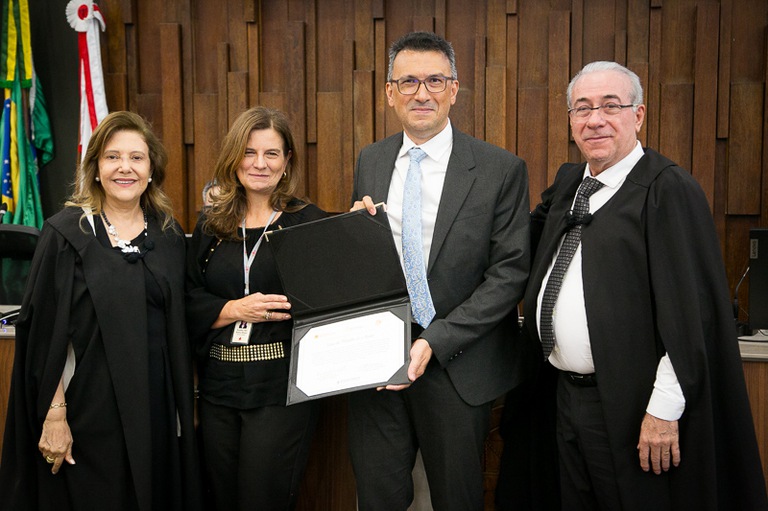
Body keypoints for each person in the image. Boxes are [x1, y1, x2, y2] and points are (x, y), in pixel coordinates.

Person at [524, 61, 768, 510]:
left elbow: (690, 313)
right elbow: (516, 247)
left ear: (638, 116)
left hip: (633, 406)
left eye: (610, 106)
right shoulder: (569, 186)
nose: (594, 119)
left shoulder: (666, 189)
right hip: (564, 398)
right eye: (582, 108)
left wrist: (663, 409)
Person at [350, 31, 532, 511]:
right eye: (408, 81)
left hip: (458, 362)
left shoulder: (500, 169)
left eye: (434, 80)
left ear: (454, 88)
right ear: (389, 93)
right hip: (379, 365)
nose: (421, 93)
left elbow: (510, 273)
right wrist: (356, 236)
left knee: (458, 497)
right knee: (378, 496)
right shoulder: (370, 160)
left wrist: (438, 339)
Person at [0, 111, 202, 510]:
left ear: (151, 169)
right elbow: (42, 335)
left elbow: (182, 322)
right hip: (88, 409)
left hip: (156, 409)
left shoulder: (168, 234)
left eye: (136, 158)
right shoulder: (65, 234)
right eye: (112, 157)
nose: (124, 168)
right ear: (95, 168)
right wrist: (55, 415)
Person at [186, 106, 327, 511]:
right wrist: (233, 309)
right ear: (234, 159)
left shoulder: (307, 222)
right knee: (221, 498)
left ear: (286, 162)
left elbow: (329, 301)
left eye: (272, 154)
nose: (259, 164)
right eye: (249, 152)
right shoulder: (213, 224)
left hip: (279, 389)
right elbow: (188, 296)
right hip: (217, 389)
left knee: (261, 499)